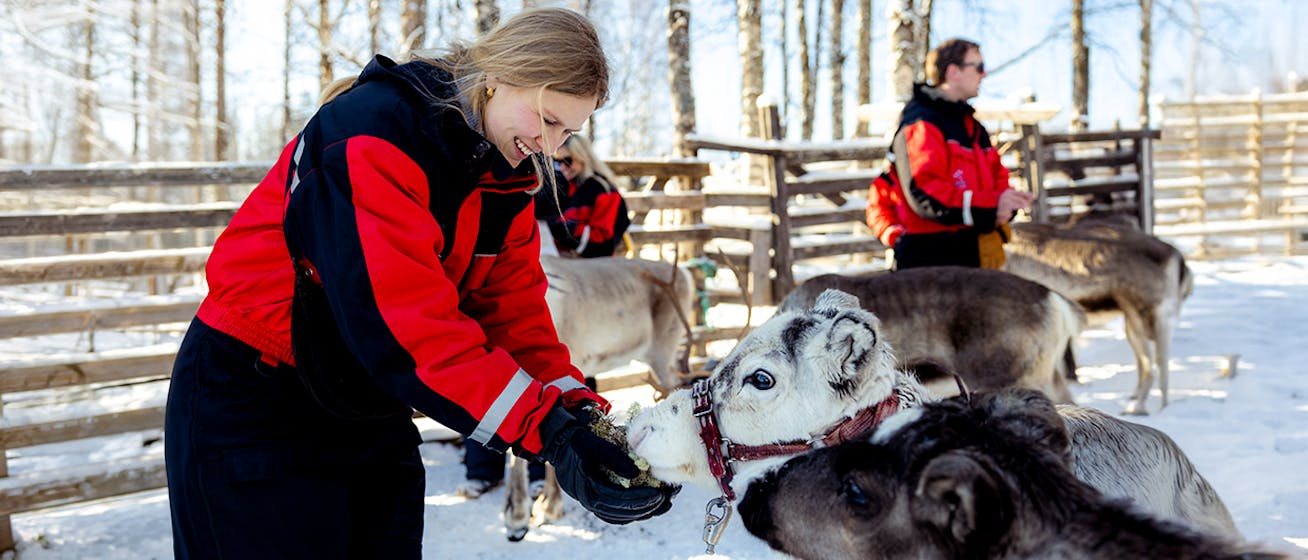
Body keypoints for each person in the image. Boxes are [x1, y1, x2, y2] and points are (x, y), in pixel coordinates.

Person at [163, 8, 675, 559]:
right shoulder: (372, 136)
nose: (551, 148)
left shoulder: (502, 182)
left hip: (367, 401)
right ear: (499, 76)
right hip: (257, 397)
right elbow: (406, 328)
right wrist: (549, 431)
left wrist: (581, 417)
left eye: (568, 133)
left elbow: (516, 322)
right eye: (548, 121)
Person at [866, 37, 1034, 270]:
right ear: (953, 71)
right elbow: (926, 193)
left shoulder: (973, 127)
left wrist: (1008, 203)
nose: (983, 75)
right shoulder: (922, 122)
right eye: (978, 67)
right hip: (930, 261)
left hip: (975, 253)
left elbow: (998, 178)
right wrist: (992, 206)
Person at [537, 133, 631, 258]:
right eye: (557, 161)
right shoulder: (560, 190)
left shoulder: (603, 191)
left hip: (591, 263)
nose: (562, 166)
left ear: (582, 158)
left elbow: (603, 243)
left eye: (567, 161)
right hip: (559, 259)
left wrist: (564, 230)